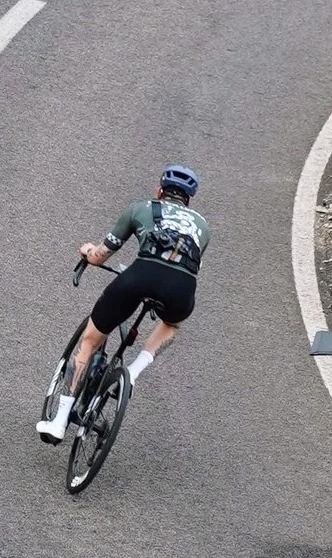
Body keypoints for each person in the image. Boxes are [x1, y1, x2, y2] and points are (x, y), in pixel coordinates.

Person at [37, 165, 209, 441]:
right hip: (181, 289)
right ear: (189, 199)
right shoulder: (203, 226)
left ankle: (58, 422)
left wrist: (86, 250)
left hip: (139, 277)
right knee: (171, 324)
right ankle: (131, 373)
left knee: (91, 342)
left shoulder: (140, 209)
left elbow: (100, 255)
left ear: (159, 191)